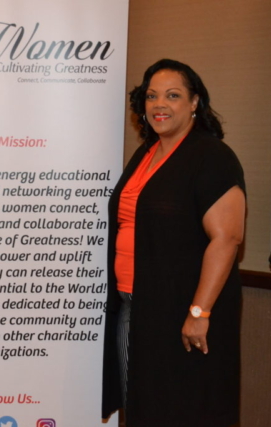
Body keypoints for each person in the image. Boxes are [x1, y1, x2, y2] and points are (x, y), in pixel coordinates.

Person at [102, 59, 246, 427]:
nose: (159, 105)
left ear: (195, 102)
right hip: (135, 308)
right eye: (151, 96)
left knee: (181, 412)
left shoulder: (212, 157)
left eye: (172, 95)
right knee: (138, 410)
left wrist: (199, 313)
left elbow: (227, 238)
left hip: (182, 316)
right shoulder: (146, 153)